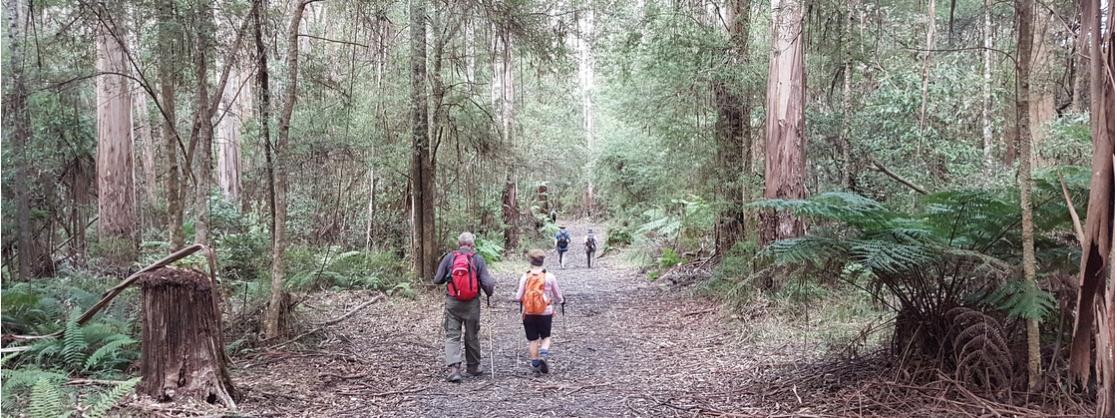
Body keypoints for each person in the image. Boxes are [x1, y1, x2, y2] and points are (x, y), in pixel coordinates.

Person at [433, 232, 495, 383]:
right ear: (472, 244)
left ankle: (454, 369)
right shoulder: (477, 259)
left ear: (458, 243)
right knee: (472, 334)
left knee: (452, 335)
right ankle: (473, 367)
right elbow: (487, 283)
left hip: (453, 303)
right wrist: (488, 292)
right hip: (472, 304)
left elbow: (437, 279)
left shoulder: (450, 257)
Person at [514, 249, 565, 376]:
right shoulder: (549, 276)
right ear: (543, 261)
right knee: (546, 337)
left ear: (530, 261)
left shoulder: (525, 276)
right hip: (545, 312)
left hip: (529, 312)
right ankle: (543, 354)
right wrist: (561, 301)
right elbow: (557, 295)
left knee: (533, 339)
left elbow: (518, 296)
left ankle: (535, 364)